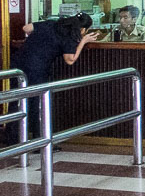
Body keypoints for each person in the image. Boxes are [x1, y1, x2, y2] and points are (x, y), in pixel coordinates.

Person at [5, 13, 98, 143]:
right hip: (37, 68)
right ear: (83, 30)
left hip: (18, 63)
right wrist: (83, 41)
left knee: (17, 99)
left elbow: (26, 28)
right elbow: (70, 60)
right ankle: (40, 141)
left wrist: (39, 42)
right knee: (38, 103)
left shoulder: (51, 23)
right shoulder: (70, 36)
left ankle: (12, 138)